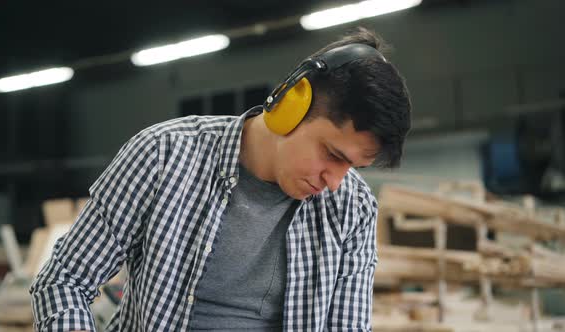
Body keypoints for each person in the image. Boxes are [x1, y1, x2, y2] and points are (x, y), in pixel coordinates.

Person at [30, 27, 411, 331]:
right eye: (332, 155)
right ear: (292, 106)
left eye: (352, 168)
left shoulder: (353, 208)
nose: (335, 183)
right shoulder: (164, 156)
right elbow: (64, 281)